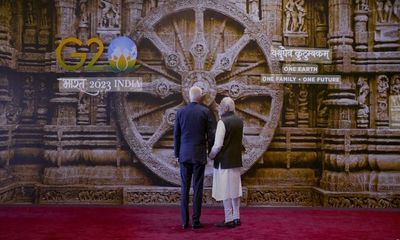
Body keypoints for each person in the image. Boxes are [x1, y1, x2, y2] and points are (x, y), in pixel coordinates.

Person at [174, 86, 215, 230]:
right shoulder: (205, 112)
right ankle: (196, 221)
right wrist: (210, 152)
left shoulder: (180, 112)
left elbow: (177, 135)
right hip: (199, 154)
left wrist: (177, 154)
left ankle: (184, 222)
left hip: (184, 154)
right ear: (200, 97)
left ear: (189, 96)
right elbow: (210, 135)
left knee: (184, 188)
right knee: (198, 188)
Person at [209, 97, 244, 228]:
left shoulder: (222, 122)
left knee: (225, 190)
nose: (219, 108)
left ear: (226, 108)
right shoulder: (240, 121)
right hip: (236, 160)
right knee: (235, 189)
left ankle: (228, 219)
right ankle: (236, 217)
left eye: (221, 106)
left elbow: (218, 145)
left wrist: (211, 155)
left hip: (224, 161)